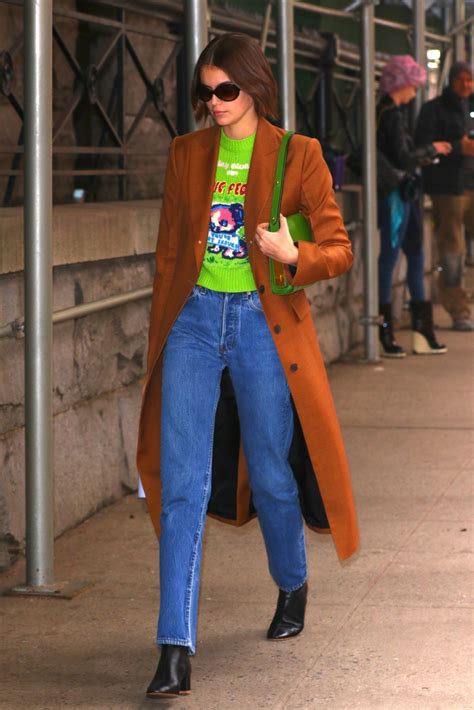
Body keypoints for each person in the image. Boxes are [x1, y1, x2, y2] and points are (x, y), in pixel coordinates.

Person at [136, 32, 359, 700]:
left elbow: (339, 248)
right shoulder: (187, 154)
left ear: (254, 86)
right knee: (183, 488)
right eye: (205, 93)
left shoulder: (299, 155)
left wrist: (294, 256)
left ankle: (292, 583)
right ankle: (174, 647)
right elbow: (172, 252)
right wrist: (165, 328)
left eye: (225, 91)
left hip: (265, 327)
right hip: (195, 323)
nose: (215, 104)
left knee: (270, 473)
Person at [376, 54, 451, 357]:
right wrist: (432, 148)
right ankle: (410, 330)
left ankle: (393, 330)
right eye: (414, 85)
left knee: (405, 256)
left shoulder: (388, 112)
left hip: (400, 193)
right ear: (403, 83)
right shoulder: (390, 114)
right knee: (400, 257)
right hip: (397, 195)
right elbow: (404, 157)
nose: (415, 92)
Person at [415, 61, 474, 331]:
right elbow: (423, 146)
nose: (466, 84)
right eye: (461, 79)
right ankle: (458, 309)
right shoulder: (434, 110)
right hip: (446, 188)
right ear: (451, 81)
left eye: (470, 80)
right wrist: (458, 147)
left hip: (469, 183)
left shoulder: (469, 107)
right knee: (452, 250)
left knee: (457, 250)